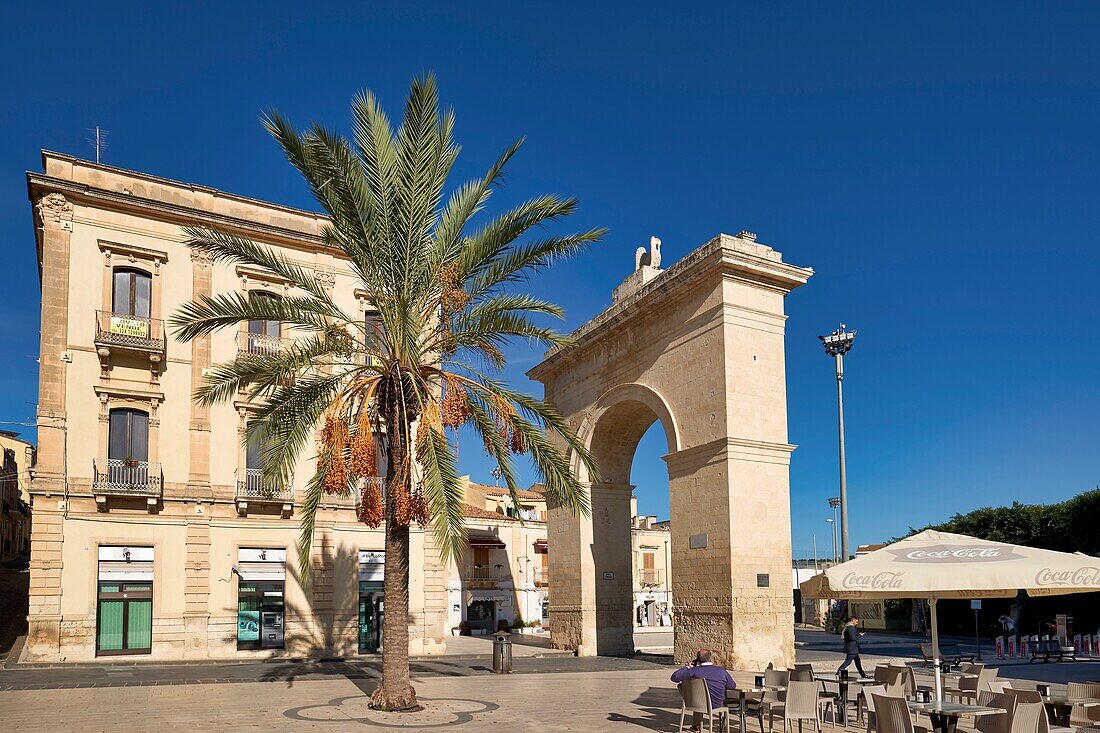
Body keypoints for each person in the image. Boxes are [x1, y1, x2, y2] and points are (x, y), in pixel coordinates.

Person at [671, 649, 736, 730]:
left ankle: (696, 725)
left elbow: (675, 677)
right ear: (710, 658)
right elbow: (732, 686)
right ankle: (698, 725)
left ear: (698, 660)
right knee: (702, 697)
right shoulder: (721, 671)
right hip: (716, 704)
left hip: (695, 703)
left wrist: (687, 667)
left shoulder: (693, 671)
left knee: (689, 690)